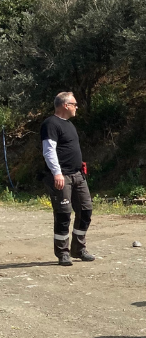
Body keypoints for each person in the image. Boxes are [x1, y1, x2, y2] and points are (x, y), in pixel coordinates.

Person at [40, 92, 94, 266]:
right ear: (65, 105)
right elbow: (49, 150)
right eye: (75, 104)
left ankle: (79, 249)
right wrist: (57, 173)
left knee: (86, 210)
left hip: (78, 175)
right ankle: (63, 252)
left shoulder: (70, 125)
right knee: (63, 214)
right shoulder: (50, 124)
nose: (77, 106)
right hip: (62, 176)